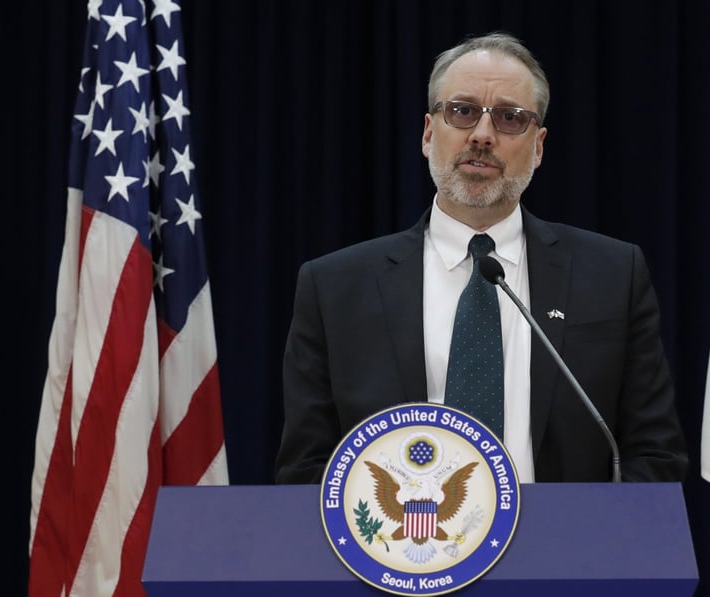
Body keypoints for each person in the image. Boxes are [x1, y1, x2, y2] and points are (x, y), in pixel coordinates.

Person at [275, 32, 686, 484]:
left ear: (539, 146)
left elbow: (653, 454)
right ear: (430, 134)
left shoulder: (612, 276)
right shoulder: (335, 287)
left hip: (566, 548)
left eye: (511, 118)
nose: (483, 135)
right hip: (397, 544)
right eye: (463, 111)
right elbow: (308, 469)